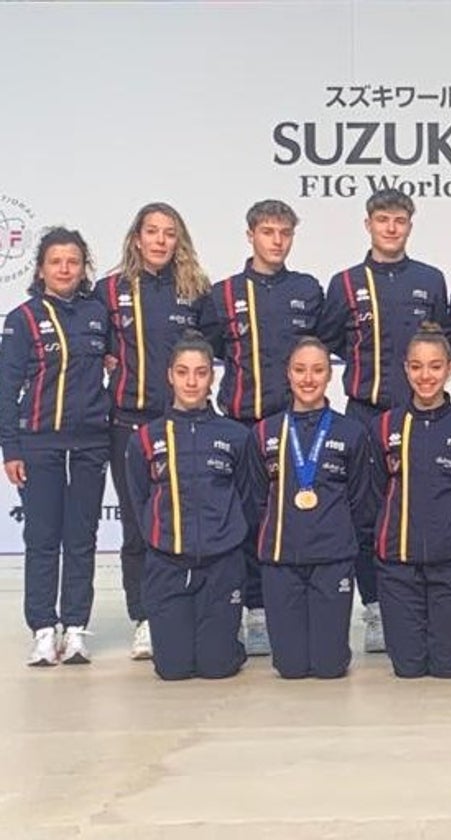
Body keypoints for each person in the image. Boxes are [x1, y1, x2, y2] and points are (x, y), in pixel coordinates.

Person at [317, 188, 451, 654]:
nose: (391, 228)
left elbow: (443, 343)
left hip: (422, 418)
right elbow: (330, 341)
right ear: (368, 224)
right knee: (366, 515)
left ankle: (425, 599)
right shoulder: (345, 283)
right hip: (365, 415)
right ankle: (375, 608)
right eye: (383, 220)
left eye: (399, 220)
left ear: (410, 225)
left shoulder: (430, 280)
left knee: (425, 508)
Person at [200, 199, 327, 657]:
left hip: (298, 428)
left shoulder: (309, 290)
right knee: (247, 521)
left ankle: (294, 608)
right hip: (241, 425)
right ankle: (253, 612)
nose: (276, 241)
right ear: (250, 234)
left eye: (285, 233)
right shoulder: (223, 294)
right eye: (268, 231)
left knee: (296, 519)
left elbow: (323, 346)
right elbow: (207, 349)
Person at [98, 202, 211, 660]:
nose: (161, 240)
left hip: (183, 425)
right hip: (128, 424)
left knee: (191, 520)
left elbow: (212, 350)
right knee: (137, 526)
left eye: (169, 233)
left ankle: (194, 606)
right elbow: (95, 348)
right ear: (136, 238)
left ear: (178, 240)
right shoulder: (109, 291)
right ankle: (144, 617)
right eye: (152, 232)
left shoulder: (196, 292)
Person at [1, 228, 109, 666]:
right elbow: (6, 388)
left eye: (74, 262)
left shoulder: (99, 313)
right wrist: (11, 448)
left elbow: (118, 363)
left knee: (82, 539)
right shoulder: (21, 318)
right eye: (56, 262)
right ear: (41, 268)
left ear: (84, 269)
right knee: (43, 539)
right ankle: (43, 629)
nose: (65, 269)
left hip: (90, 445)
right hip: (39, 445)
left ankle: (77, 628)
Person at [124, 333, 256, 680]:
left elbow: (248, 498)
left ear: (212, 376)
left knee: (217, 668)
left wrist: (226, 539)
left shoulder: (236, 436)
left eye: (200, 372)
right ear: (170, 375)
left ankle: (227, 637)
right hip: (167, 567)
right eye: (183, 372)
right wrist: (162, 540)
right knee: (173, 670)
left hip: (221, 564)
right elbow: (139, 500)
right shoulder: (145, 438)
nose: (192, 381)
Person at [249, 338, 375, 678]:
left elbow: (361, 501)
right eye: (300, 370)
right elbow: (258, 501)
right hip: (280, 563)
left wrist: (339, 538)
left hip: (332, 562)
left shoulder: (352, 432)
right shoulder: (264, 433)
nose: (309, 379)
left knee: (329, 667)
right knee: (289, 668)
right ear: (288, 374)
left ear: (330, 375)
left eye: (317, 370)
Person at [372, 324, 451, 678]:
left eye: (435, 366)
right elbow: (372, 497)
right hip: (398, 568)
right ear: (406, 368)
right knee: (407, 668)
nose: (426, 375)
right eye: (417, 366)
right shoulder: (384, 426)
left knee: (449, 668)